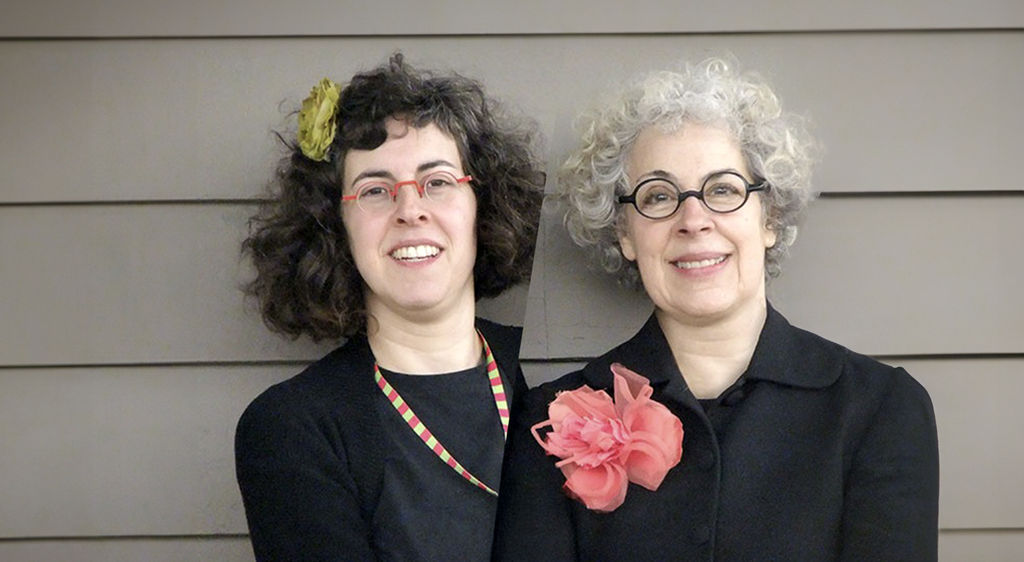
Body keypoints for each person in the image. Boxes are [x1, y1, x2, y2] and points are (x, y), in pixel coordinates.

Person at [493, 58, 939, 560]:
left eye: (723, 189)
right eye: (658, 196)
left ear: (769, 218)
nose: (694, 219)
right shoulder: (550, 420)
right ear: (625, 233)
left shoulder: (878, 408)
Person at [234, 54, 544, 561]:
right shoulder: (295, 429)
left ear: (482, 205)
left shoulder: (557, 381)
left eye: (437, 182)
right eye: (375, 190)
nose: (410, 210)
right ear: (334, 227)